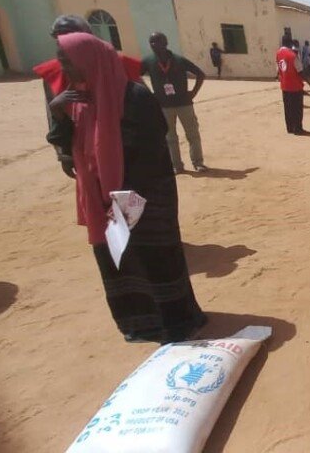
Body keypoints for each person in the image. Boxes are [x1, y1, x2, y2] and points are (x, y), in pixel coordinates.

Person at [48, 32, 206, 343]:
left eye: (69, 61)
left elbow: (151, 151)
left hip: (143, 194)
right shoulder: (78, 98)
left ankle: (177, 322)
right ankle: (140, 322)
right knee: (117, 258)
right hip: (103, 197)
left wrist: (124, 199)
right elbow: (69, 145)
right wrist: (57, 113)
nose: (65, 68)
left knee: (155, 256)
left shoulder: (134, 96)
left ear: (88, 61)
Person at [34, 15, 144, 178]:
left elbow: (148, 111)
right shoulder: (55, 72)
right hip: (86, 155)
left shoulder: (119, 64)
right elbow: (54, 115)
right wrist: (63, 153)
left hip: (126, 150)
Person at [141, 32, 208, 174]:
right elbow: (134, 75)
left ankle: (198, 163)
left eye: (156, 41)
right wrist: (148, 92)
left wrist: (194, 92)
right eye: (151, 42)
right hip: (164, 106)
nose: (153, 45)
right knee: (170, 137)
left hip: (184, 103)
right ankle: (176, 166)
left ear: (165, 43)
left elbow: (200, 74)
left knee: (192, 134)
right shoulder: (148, 61)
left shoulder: (179, 60)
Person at [277, 35, 308, 135]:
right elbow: (300, 71)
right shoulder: (292, 55)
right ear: (290, 43)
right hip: (295, 86)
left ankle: (290, 128)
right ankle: (298, 129)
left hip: (284, 86)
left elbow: (278, 69)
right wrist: (308, 81)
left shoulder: (278, 53)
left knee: (288, 108)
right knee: (297, 109)